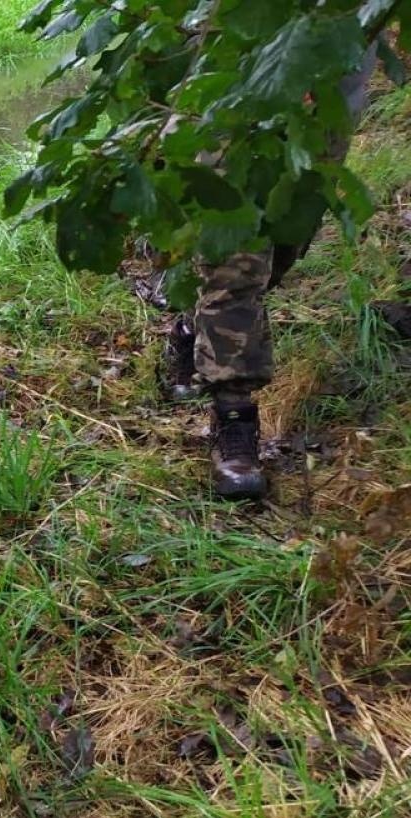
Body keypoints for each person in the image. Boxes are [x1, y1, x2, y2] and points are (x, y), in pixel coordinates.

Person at [155, 40, 382, 500]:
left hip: (326, 112)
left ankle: (189, 329)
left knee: (279, 250)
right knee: (235, 257)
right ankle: (235, 420)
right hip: (232, 99)